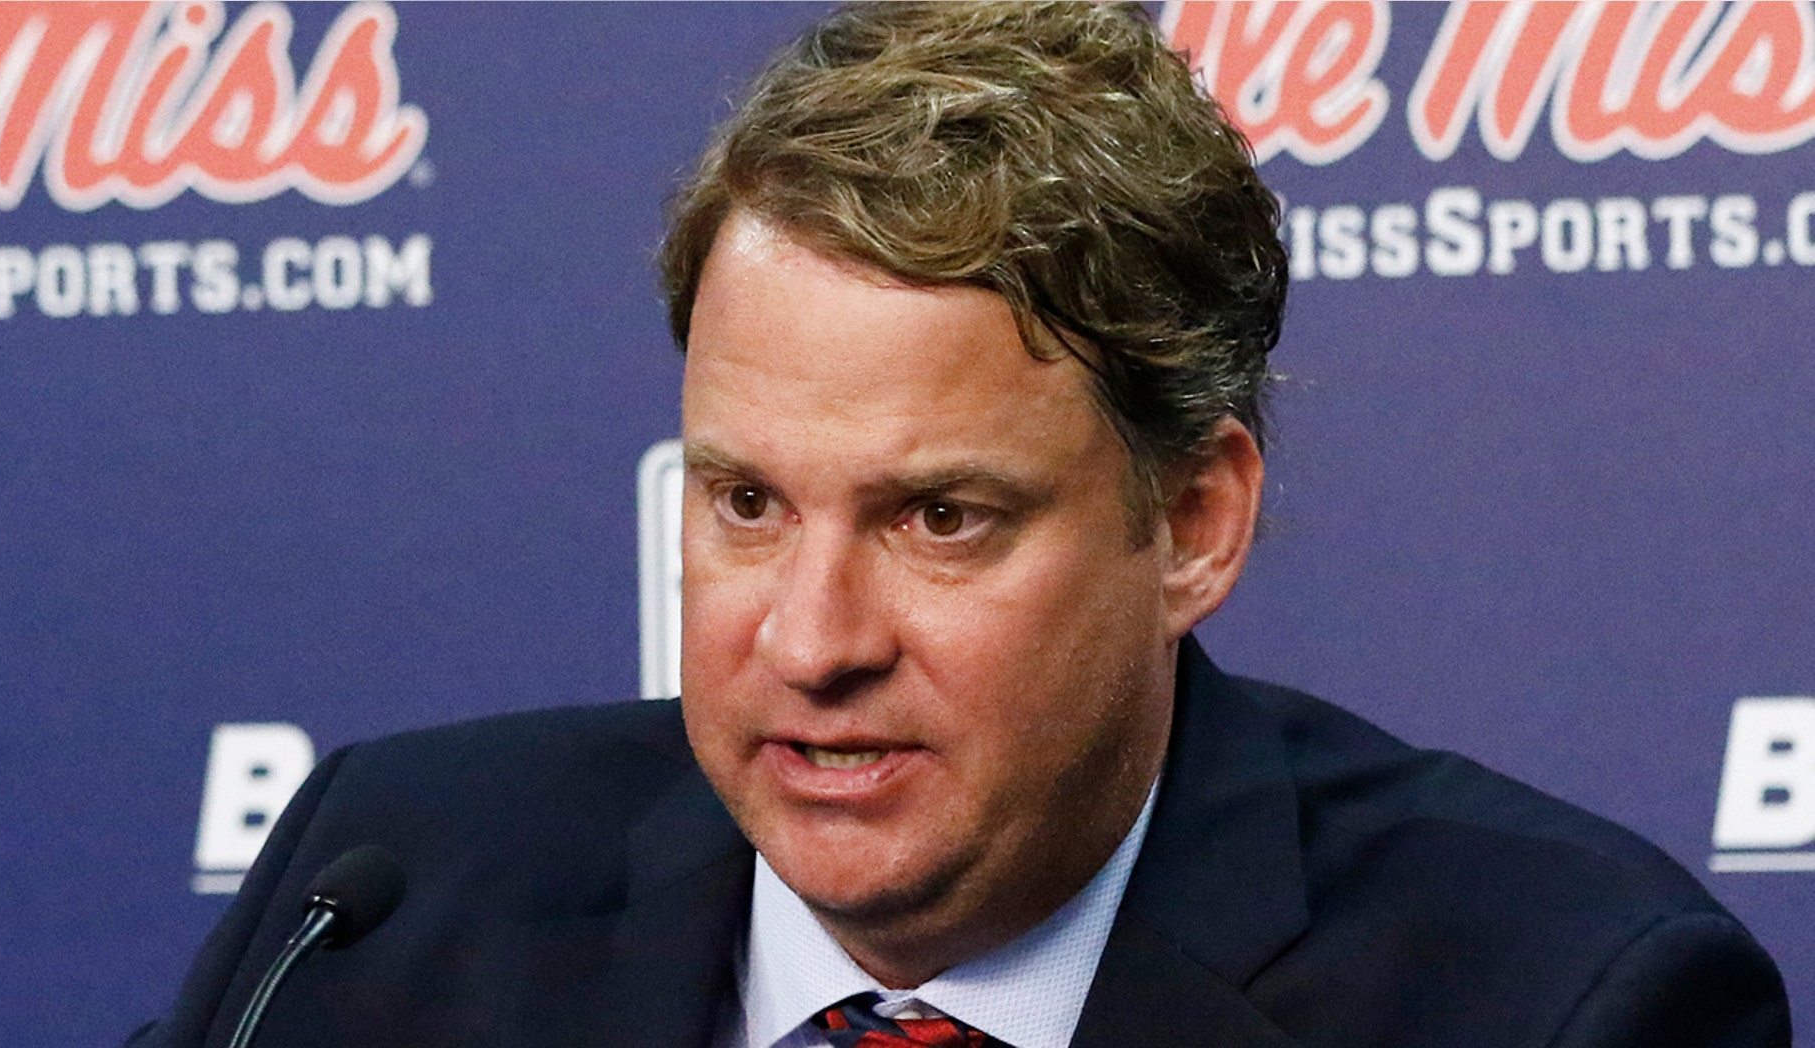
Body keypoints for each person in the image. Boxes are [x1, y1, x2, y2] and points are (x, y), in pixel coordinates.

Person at [130, 4, 1790, 1047]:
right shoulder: (391, 898)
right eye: (746, 502)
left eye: (939, 517)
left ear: (1194, 524)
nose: (811, 641)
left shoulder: (1556, 997)